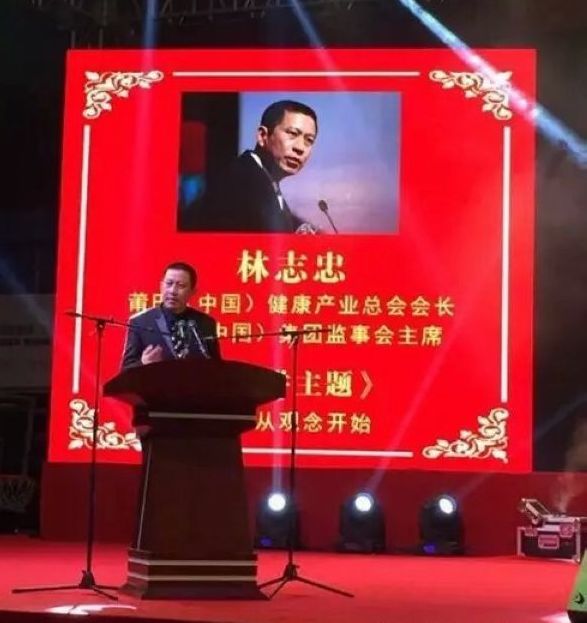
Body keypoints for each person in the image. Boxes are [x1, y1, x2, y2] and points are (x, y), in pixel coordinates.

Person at [188, 100, 319, 233]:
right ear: (262, 136)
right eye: (292, 134)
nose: (300, 148)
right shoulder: (239, 181)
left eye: (309, 140)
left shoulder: (264, 182)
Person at [121, 261, 220, 370]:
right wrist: (143, 363)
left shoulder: (206, 323)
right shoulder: (140, 322)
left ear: (192, 291)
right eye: (169, 283)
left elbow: (216, 368)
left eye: (181, 286)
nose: (173, 291)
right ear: (161, 286)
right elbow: (125, 371)